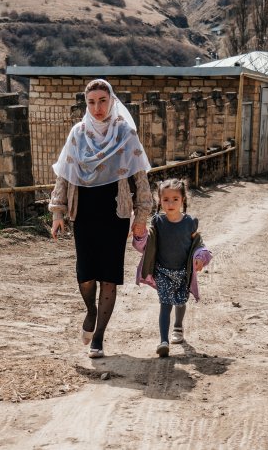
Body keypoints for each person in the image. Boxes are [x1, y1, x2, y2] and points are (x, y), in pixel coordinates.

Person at [50, 79, 153, 359]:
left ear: (112, 102)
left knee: (108, 275)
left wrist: (142, 215)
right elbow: (64, 175)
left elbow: (140, 179)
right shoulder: (78, 134)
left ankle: (99, 338)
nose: (97, 107)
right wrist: (58, 212)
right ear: (87, 104)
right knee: (85, 274)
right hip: (84, 213)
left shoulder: (125, 133)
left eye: (102, 101)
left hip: (115, 214)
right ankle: (91, 310)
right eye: (91, 102)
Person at [133, 178, 212, 357]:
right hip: (163, 271)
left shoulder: (190, 223)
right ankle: (163, 341)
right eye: (166, 199)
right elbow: (145, 245)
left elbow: (199, 244)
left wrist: (200, 257)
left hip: (183, 272)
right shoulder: (157, 222)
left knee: (181, 300)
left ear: (183, 200)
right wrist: (139, 236)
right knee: (165, 303)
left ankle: (178, 326)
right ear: (159, 201)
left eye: (175, 199)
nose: (170, 203)